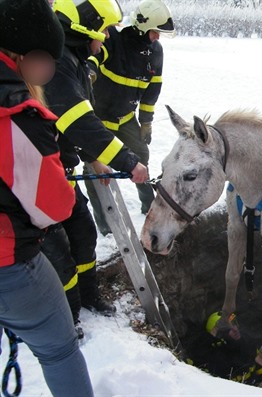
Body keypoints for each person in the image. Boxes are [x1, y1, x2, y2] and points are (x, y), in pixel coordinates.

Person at [0, 0, 94, 395]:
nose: (52, 70)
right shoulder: (18, 114)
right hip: (10, 264)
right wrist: (52, 159)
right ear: (24, 55)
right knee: (59, 351)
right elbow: (53, 206)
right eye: (48, 60)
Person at [42, 0, 149, 327]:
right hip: (39, 181)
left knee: (84, 234)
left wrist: (93, 161)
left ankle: (87, 294)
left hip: (59, 174)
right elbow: (81, 123)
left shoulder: (73, 61)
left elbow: (71, 125)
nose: (105, 37)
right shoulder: (56, 65)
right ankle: (67, 317)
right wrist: (129, 161)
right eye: (102, 29)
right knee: (58, 255)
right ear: (86, 28)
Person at [86, 0, 175, 235]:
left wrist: (146, 122)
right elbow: (93, 58)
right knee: (96, 172)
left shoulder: (156, 52)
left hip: (125, 118)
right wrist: (89, 73)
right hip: (98, 119)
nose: (157, 38)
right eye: (155, 32)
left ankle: (148, 204)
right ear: (141, 27)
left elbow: (151, 91)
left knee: (141, 156)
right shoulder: (114, 40)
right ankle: (104, 224)